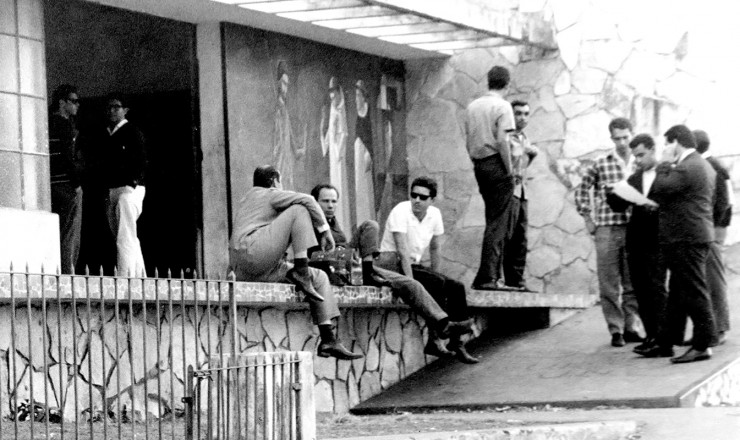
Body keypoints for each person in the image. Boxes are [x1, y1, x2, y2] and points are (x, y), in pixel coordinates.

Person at [310, 183, 477, 363]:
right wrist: (344, 255)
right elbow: (310, 257)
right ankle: (444, 328)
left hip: (356, 266)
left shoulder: (332, 223)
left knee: (408, 279)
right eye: (325, 201)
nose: (330, 205)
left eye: (334, 201)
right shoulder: (310, 222)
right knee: (432, 282)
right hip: (336, 270)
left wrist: (352, 256)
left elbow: (435, 248)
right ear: (314, 202)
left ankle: (442, 324)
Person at [229, 166, 362, 360]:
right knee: (299, 209)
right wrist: (324, 230)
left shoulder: (248, 200)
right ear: (275, 181)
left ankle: (328, 339)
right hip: (253, 255)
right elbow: (307, 200)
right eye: (280, 182)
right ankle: (301, 269)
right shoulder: (268, 193)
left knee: (320, 277)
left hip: (252, 268)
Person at [377, 177, 478, 363]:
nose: (416, 200)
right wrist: (411, 283)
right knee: (435, 282)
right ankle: (436, 338)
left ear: (432, 200)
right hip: (393, 263)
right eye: (413, 195)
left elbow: (435, 248)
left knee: (456, 287)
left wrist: (437, 274)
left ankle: (457, 343)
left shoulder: (434, 215)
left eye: (423, 197)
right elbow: (402, 249)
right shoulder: (401, 210)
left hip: (412, 263)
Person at [649, 125, 717, 363]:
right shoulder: (701, 164)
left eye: (667, 144)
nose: (665, 149)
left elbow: (659, 188)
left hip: (686, 238)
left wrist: (664, 163)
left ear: (676, 142)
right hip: (689, 236)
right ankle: (666, 342)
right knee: (678, 294)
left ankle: (703, 344)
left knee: (694, 292)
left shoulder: (688, 166)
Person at [575, 117, 643, 347]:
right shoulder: (600, 162)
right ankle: (615, 330)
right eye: (617, 138)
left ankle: (630, 326)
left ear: (632, 134)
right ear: (611, 138)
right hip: (607, 228)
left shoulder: (640, 162)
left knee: (633, 281)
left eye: (626, 137)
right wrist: (587, 218)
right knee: (608, 282)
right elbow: (582, 189)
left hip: (635, 228)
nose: (622, 142)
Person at [605, 134, 667, 355]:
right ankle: (651, 336)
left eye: (641, 155)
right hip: (636, 242)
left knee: (656, 290)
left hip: (658, 241)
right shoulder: (635, 177)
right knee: (640, 290)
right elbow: (618, 205)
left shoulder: (668, 172)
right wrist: (612, 192)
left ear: (652, 150)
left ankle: (663, 340)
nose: (637, 160)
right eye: (635, 156)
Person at [464, 66, 516, 291]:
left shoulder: (473, 106)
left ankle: (487, 275)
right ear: (507, 84)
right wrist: (509, 169)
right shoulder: (503, 106)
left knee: (492, 221)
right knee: (498, 223)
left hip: (479, 164)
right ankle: (489, 277)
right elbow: (503, 140)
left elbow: (468, 139)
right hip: (496, 162)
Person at [95, 94, 147, 277]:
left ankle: (125, 276)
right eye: (109, 107)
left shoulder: (132, 131)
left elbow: (140, 160)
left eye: (116, 107)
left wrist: (131, 183)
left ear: (125, 110)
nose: (112, 111)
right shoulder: (107, 133)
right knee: (125, 232)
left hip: (128, 189)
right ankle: (140, 276)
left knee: (124, 234)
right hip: (113, 189)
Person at [693, 130, 731, 346]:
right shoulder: (712, 165)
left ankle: (720, 328)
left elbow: (723, 202)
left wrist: (712, 226)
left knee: (714, 280)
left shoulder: (711, 166)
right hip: (711, 228)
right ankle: (711, 328)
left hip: (712, 230)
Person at [502, 100, 539, 291]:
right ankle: (500, 279)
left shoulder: (524, 137)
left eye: (526, 114)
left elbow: (521, 168)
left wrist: (530, 156)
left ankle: (516, 280)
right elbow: (508, 165)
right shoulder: (506, 137)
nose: (522, 118)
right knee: (505, 235)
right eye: (518, 113)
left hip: (522, 191)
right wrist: (524, 152)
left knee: (520, 238)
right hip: (508, 191)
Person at [49, 84, 84, 274]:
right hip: (65, 184)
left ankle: (59, 268)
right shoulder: (64, 125)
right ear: (62, 103)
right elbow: (67, 158)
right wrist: (77, 184)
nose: (77, 105)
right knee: (70, 230)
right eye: (73, 101)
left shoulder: (48, 123)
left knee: (58, 229)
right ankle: (67, 270)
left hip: (51, 184)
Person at [320, 76, 350, 231]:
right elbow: (329, 132)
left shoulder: (340, 110)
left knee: (339, 185)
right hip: (332, 150)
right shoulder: (332, 109)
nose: (332, 95)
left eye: (334, 91)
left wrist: (339, 153)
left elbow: (344, 133)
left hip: (338, 154)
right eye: (330, 91)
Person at [273, 61, 304, 191]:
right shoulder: (277, 108)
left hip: (286, 162)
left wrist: (298, 148)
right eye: (283, 83)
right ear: (278, 82)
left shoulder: (283, 108)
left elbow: (289, 134)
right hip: (278, 160)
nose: (285, 88)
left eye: (287, 85)